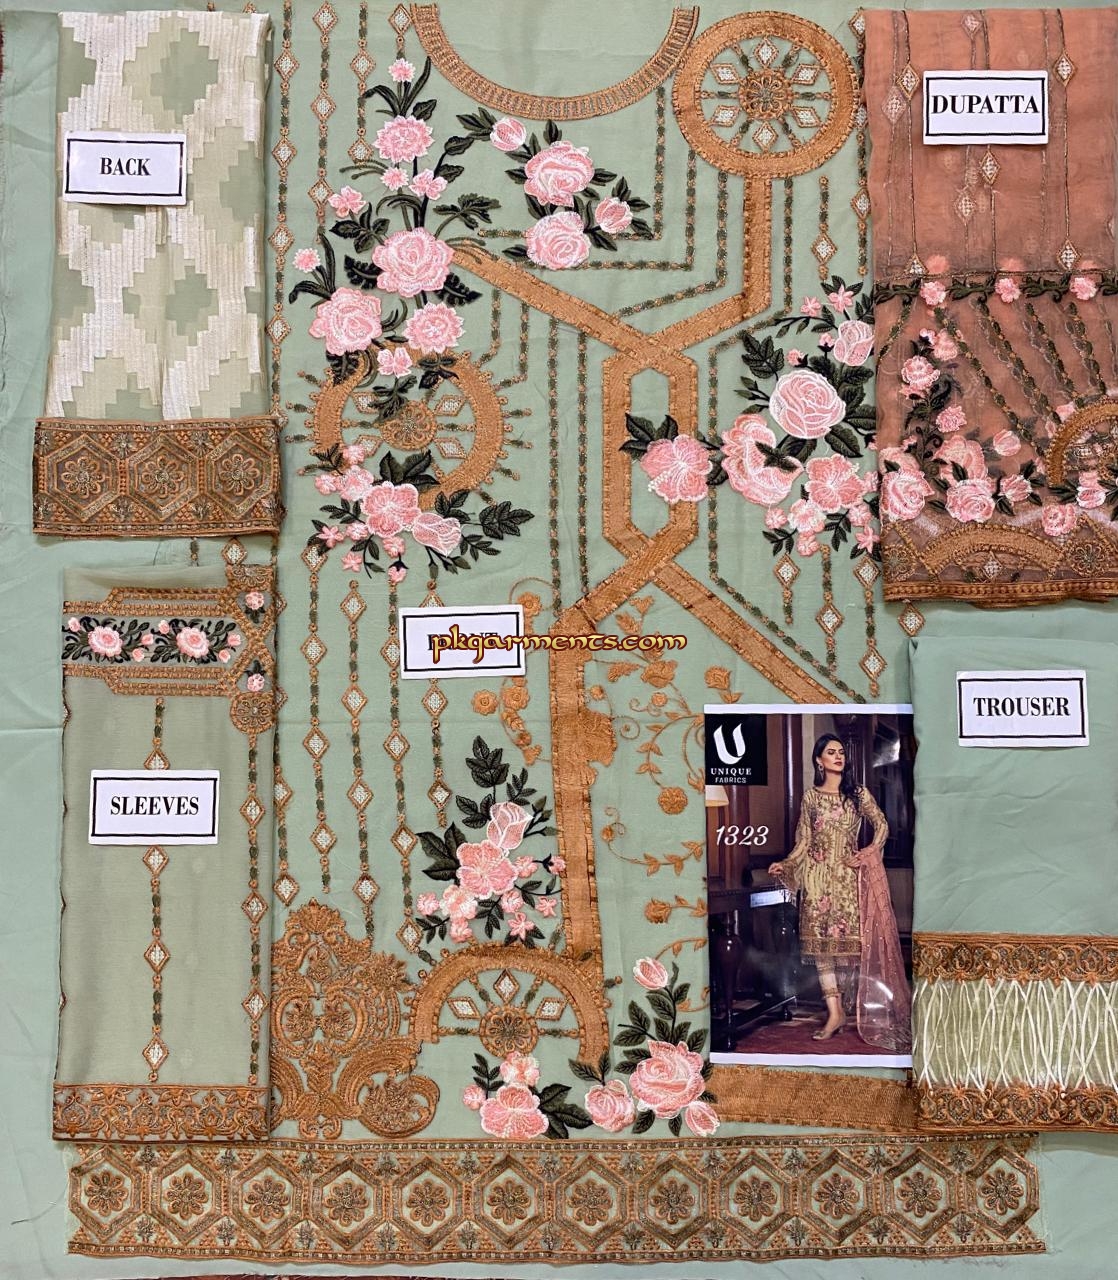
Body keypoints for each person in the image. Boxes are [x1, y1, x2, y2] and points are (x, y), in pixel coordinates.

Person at [768, 733, 911, 1050]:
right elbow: (804, 840)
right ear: (819, 760)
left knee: (851, 947)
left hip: (848, 880)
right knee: (823, 949)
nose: (838, 756)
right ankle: (834, 1013)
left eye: (841, 752)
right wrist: (786, 864)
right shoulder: (811, 798)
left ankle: (848, 1007)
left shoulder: (856, 794)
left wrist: (868, 852)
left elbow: (882, 824)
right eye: (831, 752)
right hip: (818, 880)